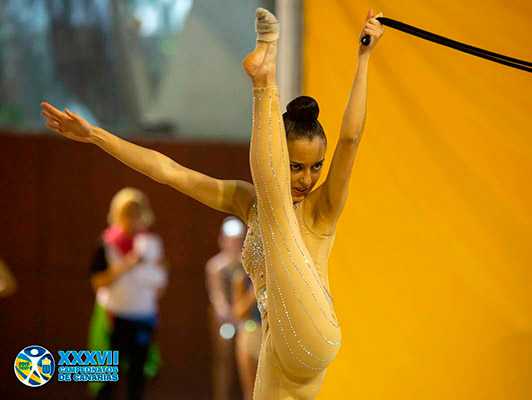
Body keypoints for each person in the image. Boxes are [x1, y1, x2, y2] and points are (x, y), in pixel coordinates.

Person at [40, 7, 384, 399]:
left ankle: (264, 81)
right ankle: (264, 79)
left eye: (316, 167)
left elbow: (350, 139)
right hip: (279, 350)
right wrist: (96, 136)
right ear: (279, 160)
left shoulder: (322, 208)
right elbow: (170, 172)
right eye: (295, 167)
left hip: (316, 330)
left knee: (273, 205)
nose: (307, 179)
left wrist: (364, 57)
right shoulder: (247, 202)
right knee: (267, 202)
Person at [89, 187, 168, 400]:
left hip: (142, 318)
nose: (132, 218)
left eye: (136, 212)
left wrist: (155, 274)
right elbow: (97, 281)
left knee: (137, 378)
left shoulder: (151, 243)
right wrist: (126, 265)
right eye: (127, 212)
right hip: (113, 318)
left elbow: (161, 282)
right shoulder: (107, 242)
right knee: (106, 378)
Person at [205, 216, 246, 400]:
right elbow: (217, 296)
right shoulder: (215, 266)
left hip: (245, 319)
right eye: (231, 240)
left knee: (249, 362)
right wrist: (226, 315)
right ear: (222, 240)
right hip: (224, 320)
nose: (234, 244)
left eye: (238, 240)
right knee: (223, 362)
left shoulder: (248, 265)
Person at [231, 269, 262, 400]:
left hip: (273, 335)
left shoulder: (276, 273)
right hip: (253, 333)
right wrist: (254, 291)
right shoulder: (241, 277)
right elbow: (238, 312)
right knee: (251, 393)